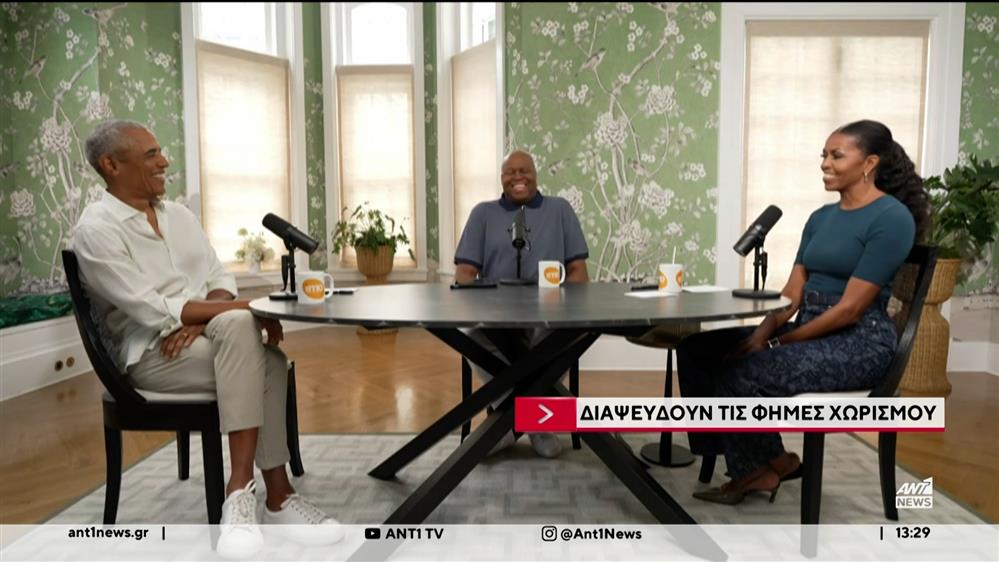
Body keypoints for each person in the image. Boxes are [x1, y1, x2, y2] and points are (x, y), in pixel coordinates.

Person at [71, 120, 342, 557]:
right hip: (152, 354)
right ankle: (270, 495)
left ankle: (246, 495)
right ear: (111, 165)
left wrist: (200, 320)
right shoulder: (96, 229)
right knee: (266, 358)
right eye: (151, 155)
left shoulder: (179, 216)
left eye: (160, 152)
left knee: (242, 333)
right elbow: (151, 309)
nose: (164, 162)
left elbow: (219, 280)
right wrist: (248, 309)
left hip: (202, 337)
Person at [676, 119, 928, 505]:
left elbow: (850, 310)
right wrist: (761, 335)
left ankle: (757, 471)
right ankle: (764, 460)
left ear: (869, 163)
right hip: (809, 327)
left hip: (859, 342)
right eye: (824, 155)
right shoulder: (819, 218)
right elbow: (792, 295)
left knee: (742, 372)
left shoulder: (892, 218)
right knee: (698, 349)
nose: (825, 163)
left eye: (836, 156)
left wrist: (777, 343)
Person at [454, 150, 589, 458]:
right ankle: (536, 423)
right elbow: (464, 273)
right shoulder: (482, 213)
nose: (518, 177)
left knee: (565, 337)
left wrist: (566, 304)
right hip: (496, 318)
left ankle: (504, 427)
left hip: (549, 316)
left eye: (524, 170)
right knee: (470, 336)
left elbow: (579, 272)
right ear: (501, 178)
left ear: (535, 174)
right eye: (510, 172)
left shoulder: (560, 209)